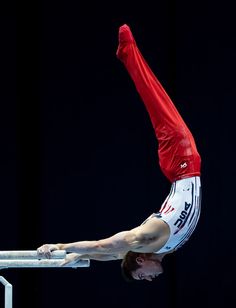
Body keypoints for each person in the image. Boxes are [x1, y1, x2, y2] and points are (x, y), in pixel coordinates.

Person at [37, 24, 202, 282]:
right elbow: (109, 254)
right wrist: (83, 256)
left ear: (140, 260)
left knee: (154, 97)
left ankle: (128, 52)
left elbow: (103, 246)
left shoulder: (148, 237)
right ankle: (128, 54)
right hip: (181, 167)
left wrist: (61, 247)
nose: (148, 279)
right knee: (155, 99)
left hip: (181, 162)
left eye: (141, 276)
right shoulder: (159, 248)